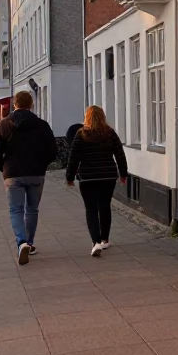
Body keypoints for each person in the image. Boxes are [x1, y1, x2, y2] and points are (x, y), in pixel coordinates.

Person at [0, 91, 57, 265]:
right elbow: (53, 150)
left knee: (16, 210)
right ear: (31, 104)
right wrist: (43, 165)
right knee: (32, 209)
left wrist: (3, 168)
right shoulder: (42, 125)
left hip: (13, 172)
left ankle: (21, 242)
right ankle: (31, 243)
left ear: (14, 105)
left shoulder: (4, 124)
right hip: (36, 172)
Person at [66, 106, 128, 257]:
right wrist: (123, 174)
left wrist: (70, 176)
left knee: (91, 209)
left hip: (88, 177)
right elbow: (120, 154)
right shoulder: (110, 133)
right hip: (107, 176)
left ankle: (96, 242)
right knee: (105, 206)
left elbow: (74, 157)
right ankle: (105, 239)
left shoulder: (81, 134)